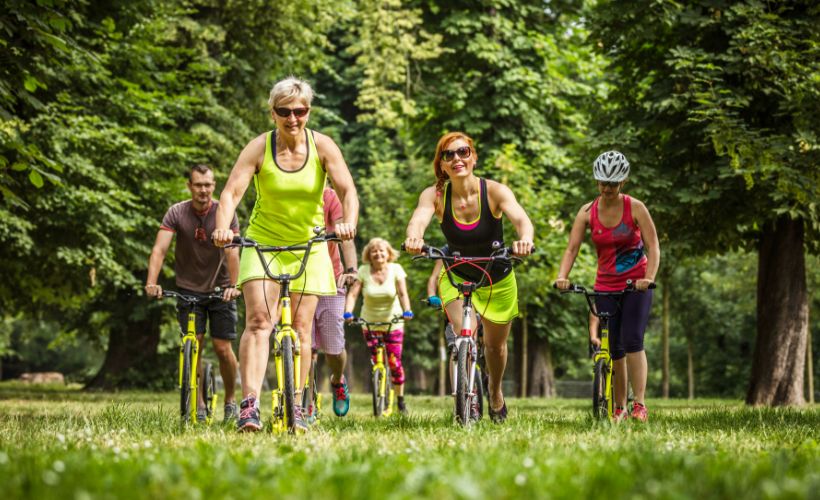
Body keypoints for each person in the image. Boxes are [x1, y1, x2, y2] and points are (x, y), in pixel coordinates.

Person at [211, 77, 358, 432]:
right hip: (263, 244)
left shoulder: (323, 146)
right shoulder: (258, 148)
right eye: (284, 111)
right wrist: (223, 226)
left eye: (301, 111)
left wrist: (348, 222)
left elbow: (347, 188)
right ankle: (249, 406)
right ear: (272, 112)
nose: (293, 118)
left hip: (310, 246)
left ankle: (296, 403)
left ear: (308, 111)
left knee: (304, 330)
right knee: (260, 322)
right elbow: (231, 192)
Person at [404, 132, 534, 423]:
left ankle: (495, 390)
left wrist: (525, 239)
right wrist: (414, 237)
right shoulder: (434, 194)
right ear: (442, 165)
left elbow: (522, 220)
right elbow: (419, 218)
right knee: (465, 334)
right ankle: (465, 397)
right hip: (456, 274)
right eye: (448, 155)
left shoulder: (494, 191)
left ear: (473, 157)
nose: (457, 159)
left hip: (496, 278)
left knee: (495, 347)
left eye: (463, 152)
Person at [554, 151, 659, 422]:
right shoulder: (587, 212)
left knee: (633, 340)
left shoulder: (635, 208)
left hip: (636, 284)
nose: (607, 188)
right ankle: (619, 407)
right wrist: (562, 275)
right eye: (602, 182)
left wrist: (648, 278)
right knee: (615, 348)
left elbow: (653, 246)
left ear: (623, 181)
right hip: (605, 286)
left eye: (612, 183)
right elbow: (572, 248)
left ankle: (640, 404)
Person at [145, 164, 241, 424]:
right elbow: (159, 250)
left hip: (221, 289)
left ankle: (231, 400)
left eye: (208, 184)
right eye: (198, 185)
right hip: (188, 289)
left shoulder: (225, 212)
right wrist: (151, 282)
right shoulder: (176, 212)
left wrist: (235, 284)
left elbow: (233, 252)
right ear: (189, 186)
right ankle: (198, 403)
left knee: (222, 348)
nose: (203, 190)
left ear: (214, 185)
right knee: (193, 343)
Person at [344, 238, 413, 413]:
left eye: (382, 250)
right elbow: (353, 295)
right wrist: (348, 312)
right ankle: (379, 388)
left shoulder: (396, 269)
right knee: (376, 360)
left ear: (388, 253)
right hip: (370, 322)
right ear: (369, 254)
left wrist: (407, 311)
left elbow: (403, 293)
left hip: (393, 322)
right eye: (374, 251)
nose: (378, 253)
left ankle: (400, 400)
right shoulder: (363, 271)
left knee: (394, 363)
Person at [310, 187, 358, 418]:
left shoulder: (329, 196)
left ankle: (338, 381)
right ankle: (305, 400)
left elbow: (344, 233)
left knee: (334, 348)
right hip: (298, 276)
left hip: (330, 276)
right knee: (304, 346)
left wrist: (351, 269)